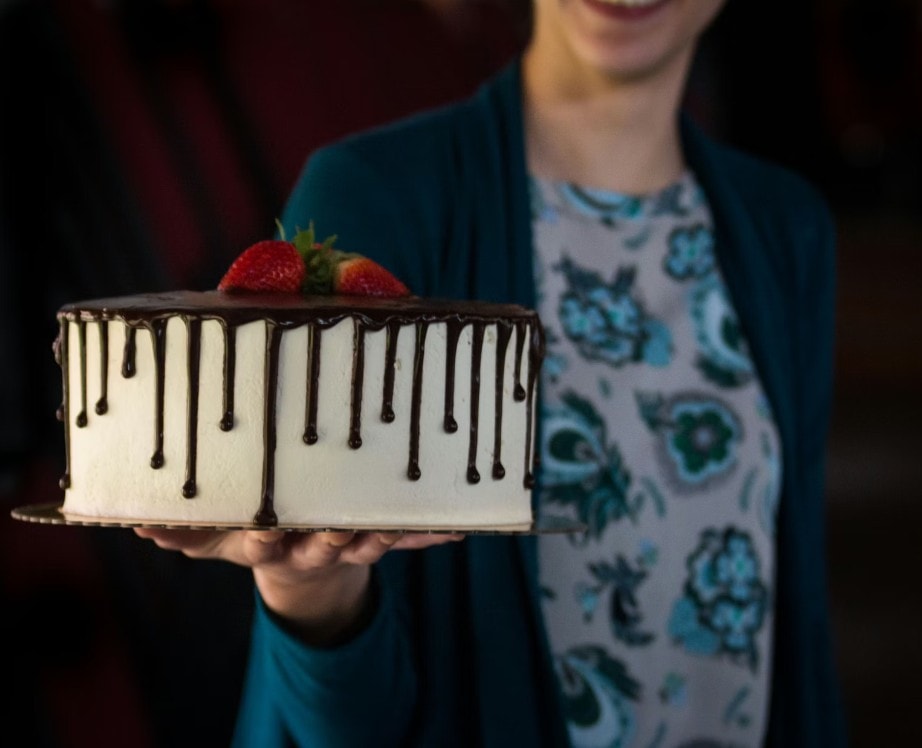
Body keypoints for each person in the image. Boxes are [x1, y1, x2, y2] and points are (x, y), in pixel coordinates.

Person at [136, 0, 848, 745]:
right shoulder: (372, 198)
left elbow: (796, 618)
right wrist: (307, 585)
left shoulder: (786, 228)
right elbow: (339, 724)